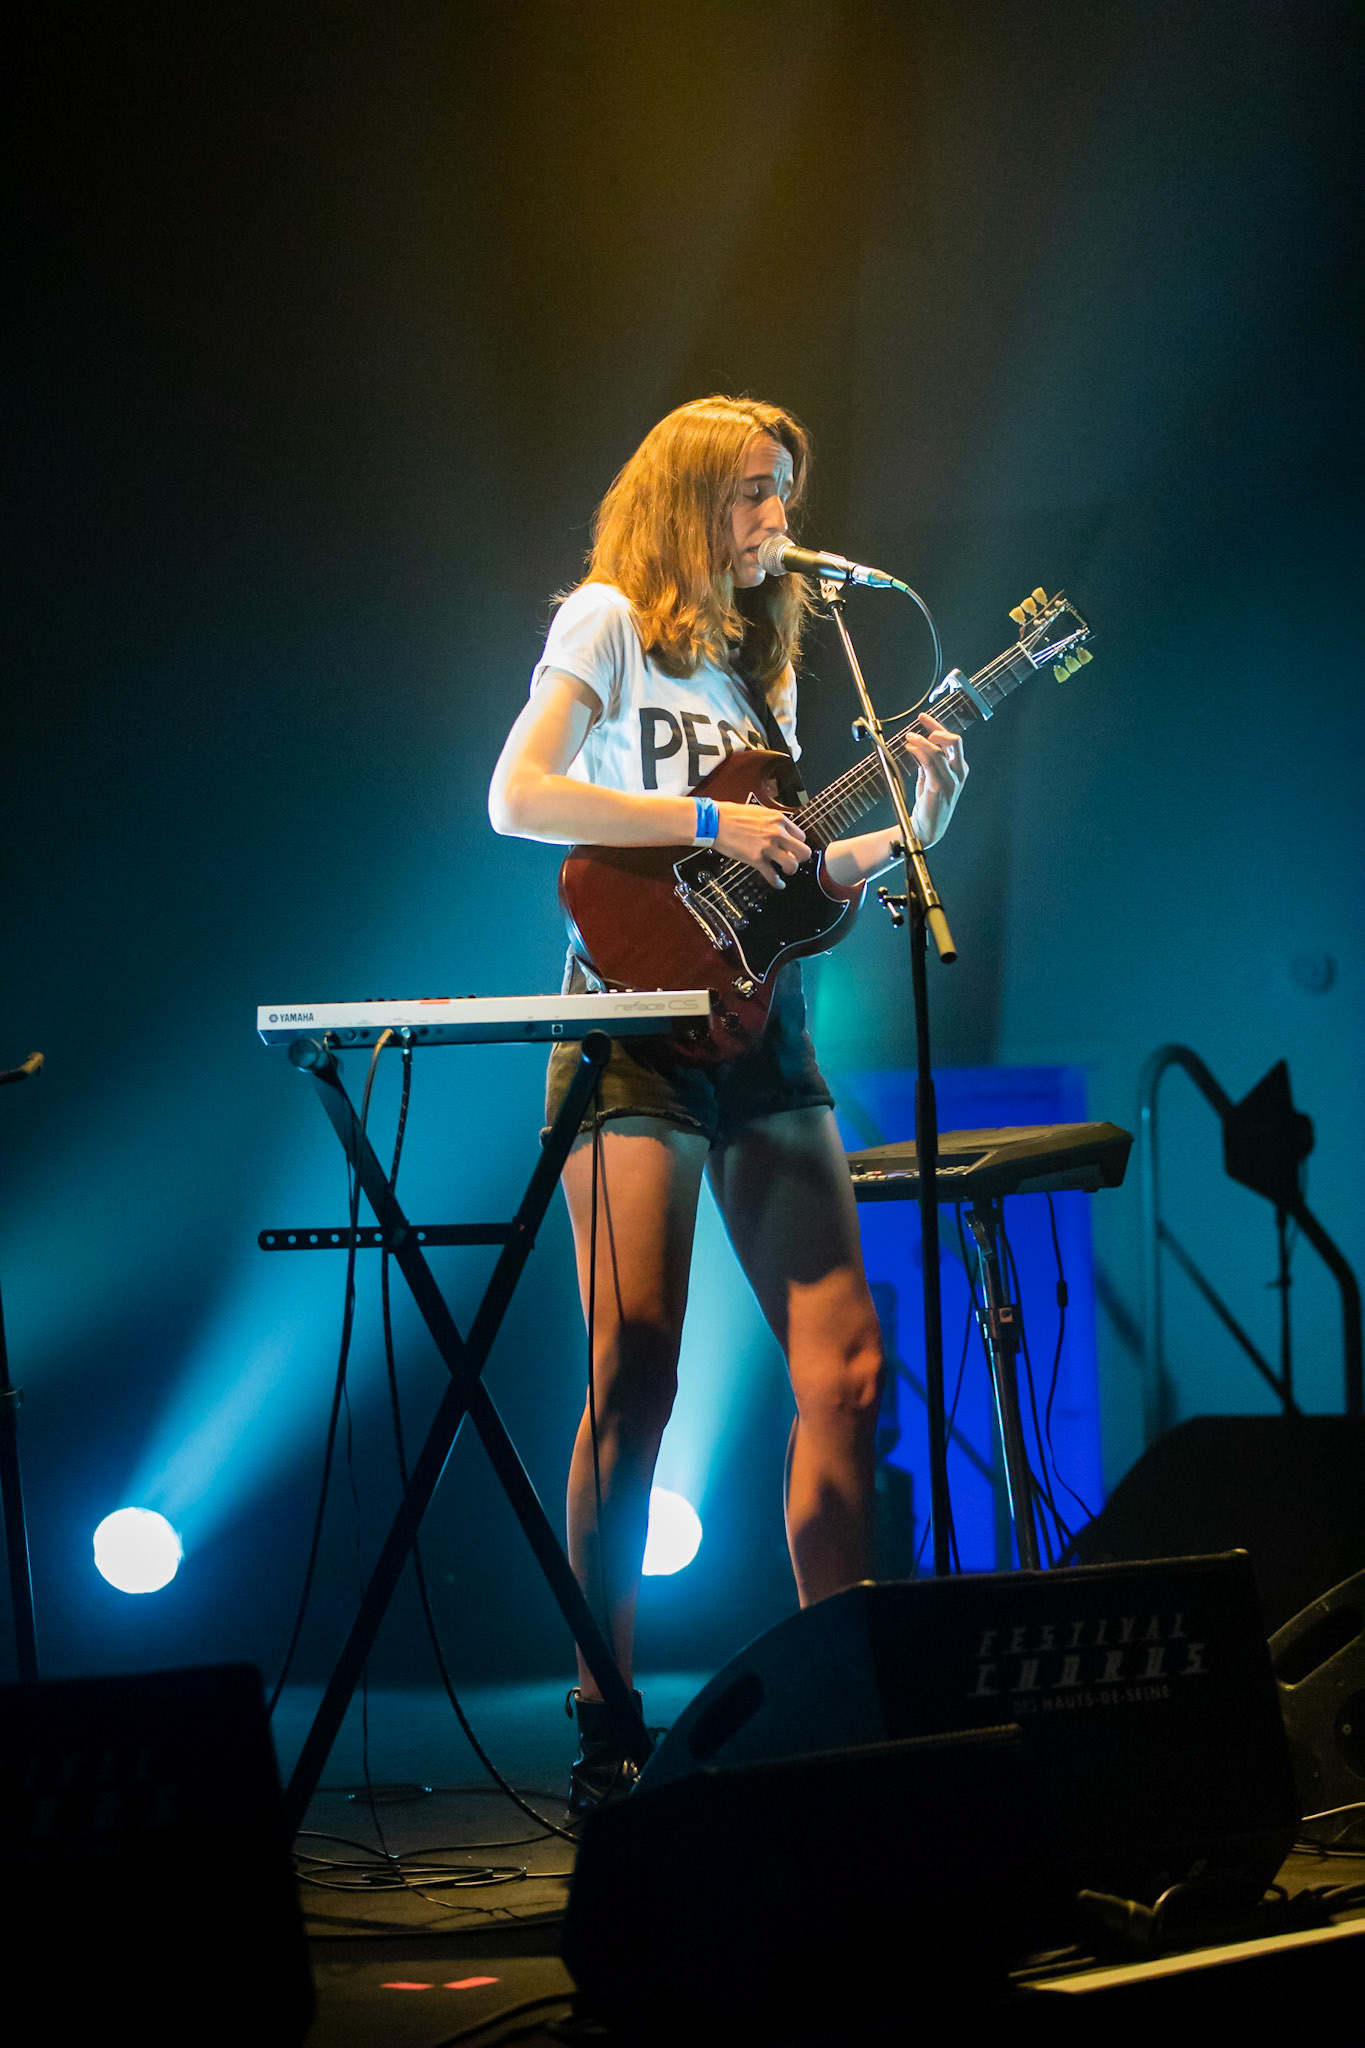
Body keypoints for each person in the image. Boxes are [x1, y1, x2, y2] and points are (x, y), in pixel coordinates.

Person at [488, 396, 968, 1810]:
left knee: (850, 1372)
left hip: (763, 1027)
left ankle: (846, 1698)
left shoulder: (770, 669)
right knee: (636, 1364)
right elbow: (518, 796)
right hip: (624, 1022)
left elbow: (789, 886)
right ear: (690, 500)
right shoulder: (606, 622)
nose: (778, 522)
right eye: (756, 492)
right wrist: (706, 818)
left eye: (785, 494)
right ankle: (606, 1712)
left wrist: (904, 834)